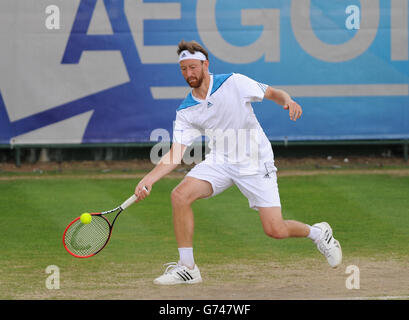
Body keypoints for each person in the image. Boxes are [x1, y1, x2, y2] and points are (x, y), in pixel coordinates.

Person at [134, 40, 342, 285]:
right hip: (220, 160)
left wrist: (287, 100)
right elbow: (176, 153)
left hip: (255, 160)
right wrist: (149, 178)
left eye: (193, 67)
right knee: (179, 195)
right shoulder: (186, 111)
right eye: (184, 69)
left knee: (275, 230)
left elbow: (273, 93)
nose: (189, 74)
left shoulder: (233, 82)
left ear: (205, 64)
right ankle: (188, 268)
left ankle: (319, 234)